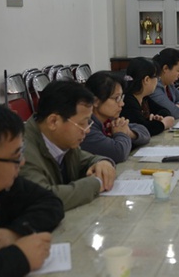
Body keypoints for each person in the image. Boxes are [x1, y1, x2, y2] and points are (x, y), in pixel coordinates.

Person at [0, 100, 64, 276]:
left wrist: (15, 232)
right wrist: (20, 257)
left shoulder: (1, 186)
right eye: (15, 157)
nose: (22, 163)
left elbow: (51, 202)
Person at [20, 80, 116, 211]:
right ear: (53, 121)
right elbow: (44, 198)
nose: (87, 130)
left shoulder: (64, 143)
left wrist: (103, 162)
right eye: (82, 123)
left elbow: (86, 159)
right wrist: (96, 183)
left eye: (88, 123)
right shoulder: (21, 152)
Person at [82, 71, 151, 163]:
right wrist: (121, 133)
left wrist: (129, 132)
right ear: (95, 101)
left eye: (121, 97)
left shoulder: (109, 121)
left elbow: (144, 132)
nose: (122, 103)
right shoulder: (86, 127)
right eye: (116, 98)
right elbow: (119, 153)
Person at [121, 57, 175, 136]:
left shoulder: (144, 98)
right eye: (157, 78)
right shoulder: (128, 101)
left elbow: (164, 111)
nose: (157, 81)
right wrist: (163, 124)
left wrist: (157, 118)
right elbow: (142, 129)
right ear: (146, 80)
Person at [149, 48, 179, 118]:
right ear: (165, 68)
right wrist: (178, 109)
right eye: (178, 70)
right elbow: (174, 113)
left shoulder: (169, 85)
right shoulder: (154, 87)